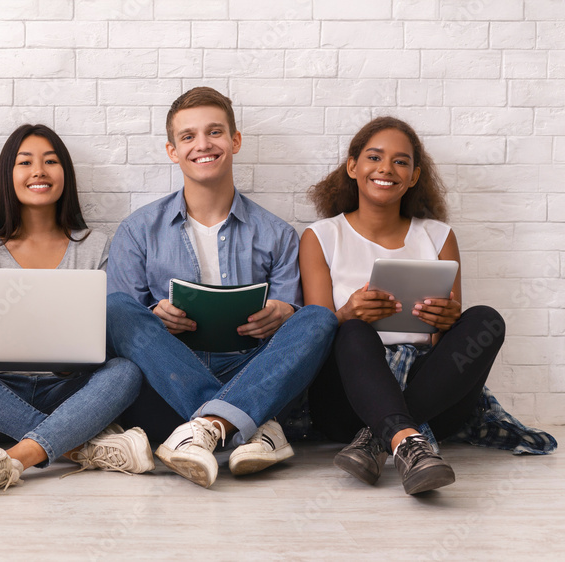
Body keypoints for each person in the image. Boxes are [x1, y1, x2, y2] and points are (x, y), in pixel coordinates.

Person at [105, 87, 337, 488]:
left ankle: (206, 428)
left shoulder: (278, 234)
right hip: (170, 374)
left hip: (251, 365)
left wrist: (285, 313)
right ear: (172, 150)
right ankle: (255, 427)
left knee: (317, 317)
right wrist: (154, 318)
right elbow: (120, 328)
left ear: (235, 141)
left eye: (215, 132)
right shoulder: (137, 230)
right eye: (188, 136)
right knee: (117, 309)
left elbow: (292, 343)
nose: (203, 145)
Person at [0, 124, 153, 494]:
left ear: (66, 175)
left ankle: (13, 459)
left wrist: (84, 357)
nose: (39, 171)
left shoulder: (96, 246)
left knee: (126, 371)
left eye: (50, 161)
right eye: (25, 162)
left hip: (69, 390)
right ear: (8, 176)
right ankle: (79, 445)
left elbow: (109, 332)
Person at [299, 116, 511, 495]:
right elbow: (312, 332)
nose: (386, 169)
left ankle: (384, 437)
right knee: (352, 329)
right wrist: (347, 312)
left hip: (432, 399)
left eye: (401, 161)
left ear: (414, 176)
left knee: (486, 320)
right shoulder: (321, 237)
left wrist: (448, 320)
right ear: (353, 166)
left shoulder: (438, 236)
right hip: (346, 402)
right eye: (375, 157)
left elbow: (450, 343)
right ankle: (406, 439)